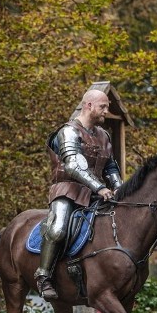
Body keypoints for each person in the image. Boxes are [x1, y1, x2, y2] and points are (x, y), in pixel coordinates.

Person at [35, 89, 124, 300]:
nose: (106, 111)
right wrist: (99, 187)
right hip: (67, 190)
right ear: (88, 106)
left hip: (96, 194)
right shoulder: (68, 132)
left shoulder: (104, 135)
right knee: (57, 229)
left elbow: (110, 166)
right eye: (103, 106)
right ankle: (43, 275)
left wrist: (119, 188)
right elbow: (73, 166)